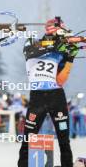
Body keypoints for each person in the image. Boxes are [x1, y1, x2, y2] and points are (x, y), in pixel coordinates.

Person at [18, 17, 79, 167]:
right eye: (61, 32)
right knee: (28, 138)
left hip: (56, 96)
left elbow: (60, 80)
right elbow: (29, 52)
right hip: (37, 97)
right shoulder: (34, 42)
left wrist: (70, 58)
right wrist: (55, 45)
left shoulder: (61, 51)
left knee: (64, 140)